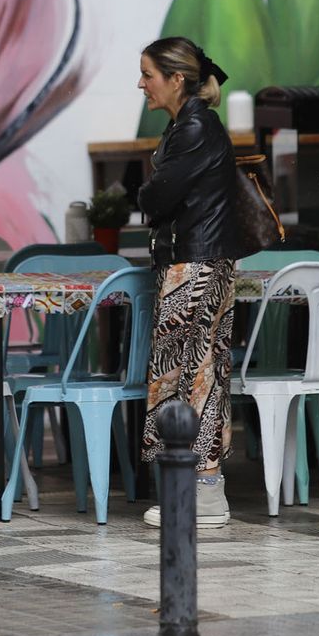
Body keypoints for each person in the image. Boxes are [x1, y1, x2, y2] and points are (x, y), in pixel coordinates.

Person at [135, 36, 245, 528]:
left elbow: (157, 197)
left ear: (176, 79)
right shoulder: (193, 123)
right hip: (207, 261)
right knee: (204, 371)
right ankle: (204, 489)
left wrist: (145, 188)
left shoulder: (194, 126)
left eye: (149, 74)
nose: (141, 84)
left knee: (188, 376)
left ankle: (200, 490)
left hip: (194, 266)